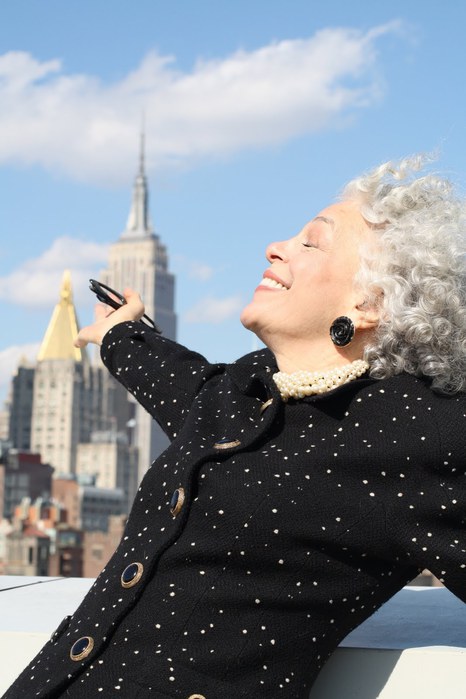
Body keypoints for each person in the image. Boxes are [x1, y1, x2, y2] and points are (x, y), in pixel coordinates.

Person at [4, 155, 466, 699]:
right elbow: (182, 381)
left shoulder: (421, 429)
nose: (275, 247)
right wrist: (118, 334)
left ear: (370, 303)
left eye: (311, 242)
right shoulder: (247, 389)